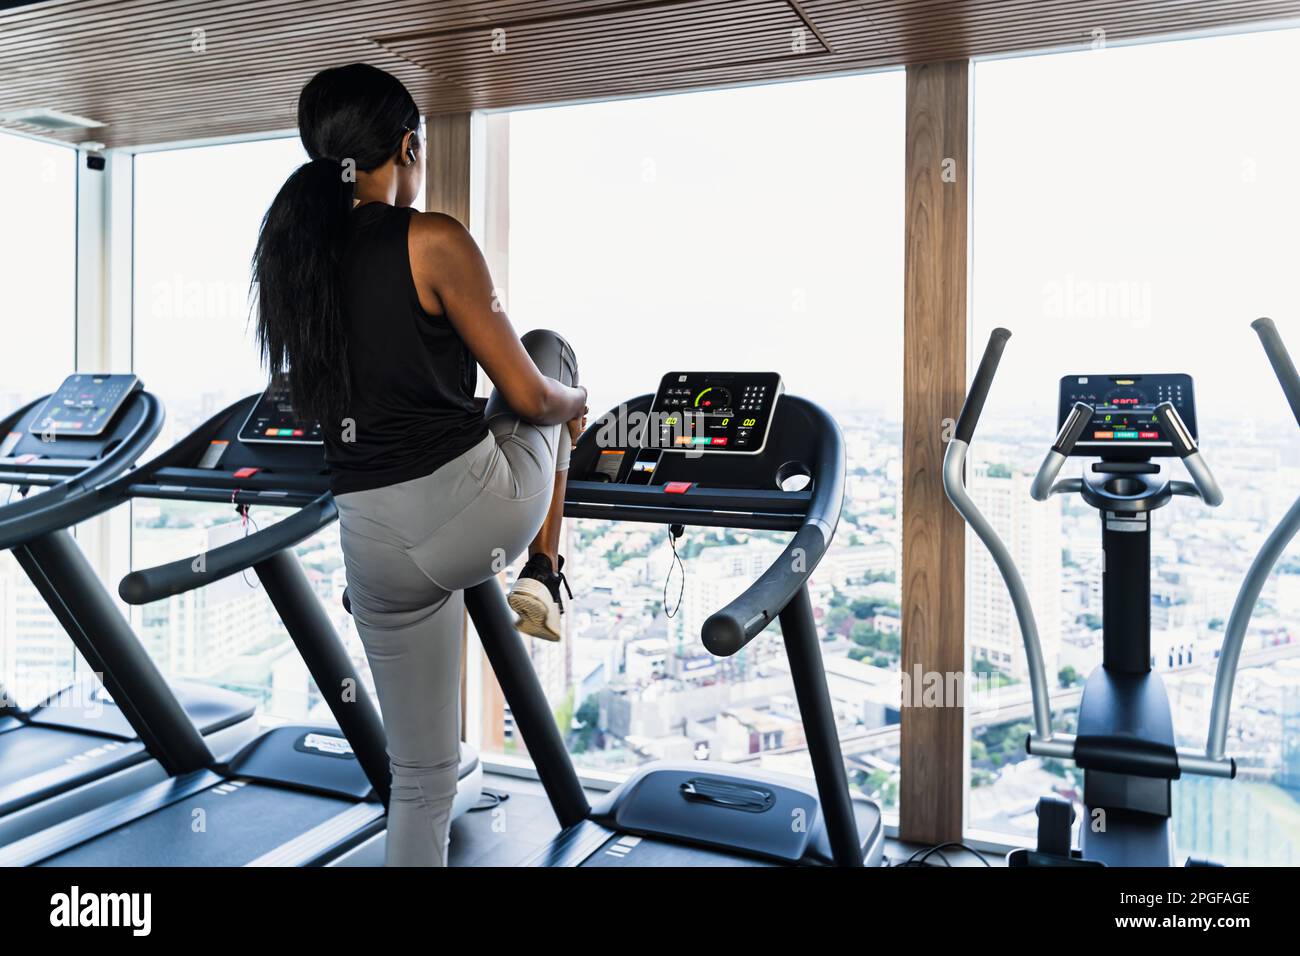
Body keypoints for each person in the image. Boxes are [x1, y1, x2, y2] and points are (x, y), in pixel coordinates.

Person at [252, 63, 587, 866]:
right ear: (408, 146)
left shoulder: (296, 263)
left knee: (421, 780)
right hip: (474, 514)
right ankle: (544, 566)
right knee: (554, 350)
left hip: (369, 543)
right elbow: (527, 393)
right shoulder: (432, 239)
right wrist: (575, 405)